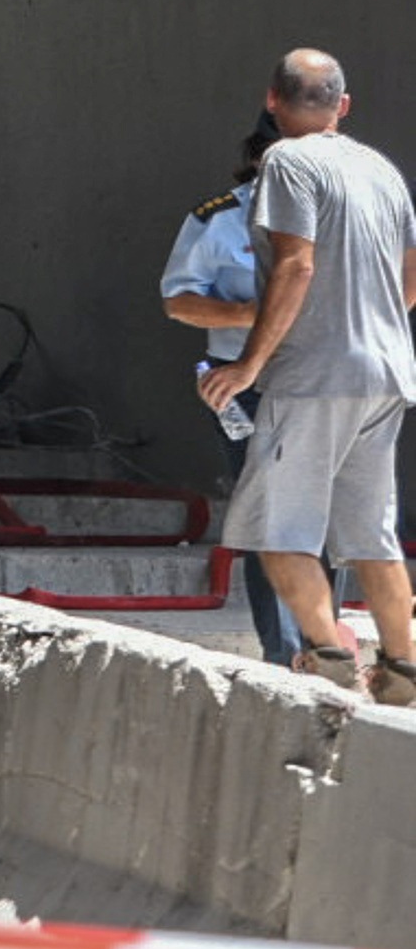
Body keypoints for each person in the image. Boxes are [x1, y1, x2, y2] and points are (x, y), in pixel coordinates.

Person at [197, 50, 416, 699]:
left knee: (276, 530)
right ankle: (402, 672)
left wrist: (248, 364)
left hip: (315, 377)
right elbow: (410, 278)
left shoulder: (285, 162)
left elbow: (294, 266)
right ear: (342, 106)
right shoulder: (380, 168)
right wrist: (370, 324)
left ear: (272, 101)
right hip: (386, 373)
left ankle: (326, 657)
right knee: (371, 535)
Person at [160, 119, 303, 658]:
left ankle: (321, 646)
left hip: (319, 385)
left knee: (324, 520)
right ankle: (285, 653)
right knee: (272, 520)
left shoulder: (338, 212)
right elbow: (179, 301)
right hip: (248, 388)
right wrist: (250, 313)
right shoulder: (219, 220)